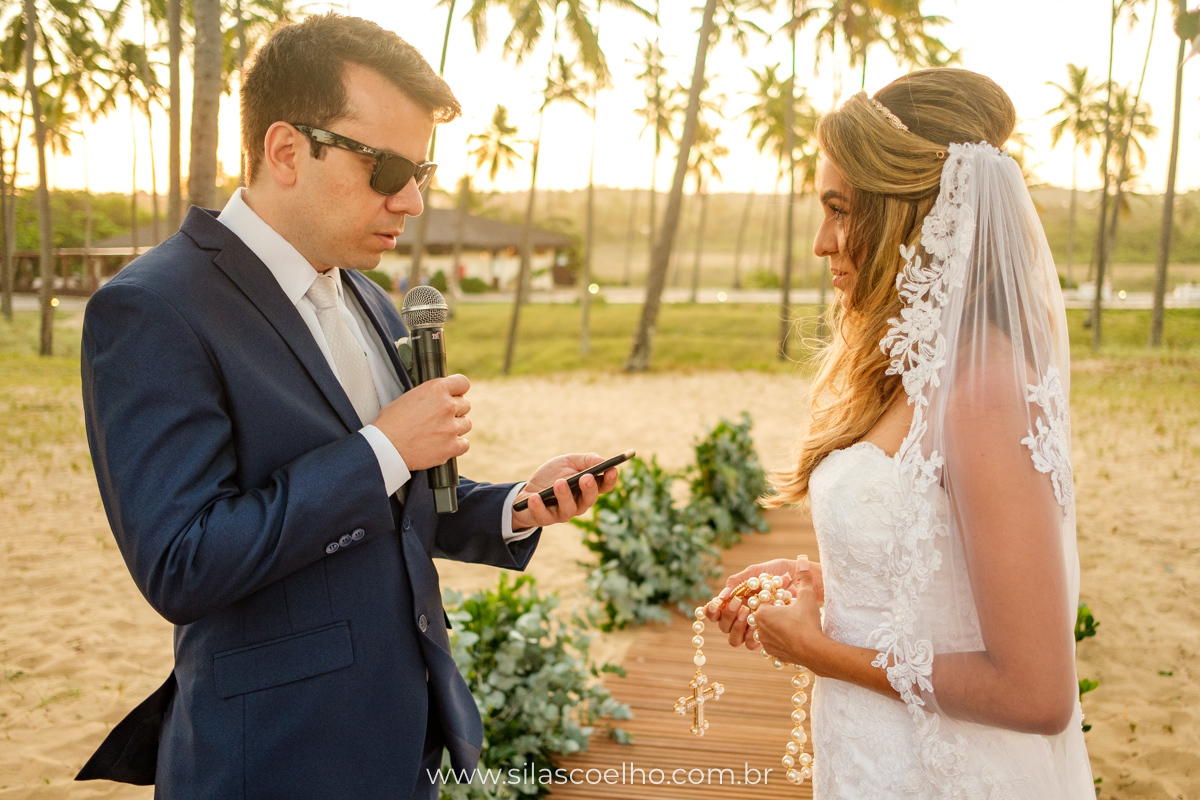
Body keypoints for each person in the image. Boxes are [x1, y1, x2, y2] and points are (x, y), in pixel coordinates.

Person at [76, 13, 617, 799]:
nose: (413, 200)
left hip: (402, 741)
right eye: (388, 166)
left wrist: (512, 508)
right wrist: (385, 447)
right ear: (287, 150)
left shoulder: (373, 300)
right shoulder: (153, 309)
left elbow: (390, 508)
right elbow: (184, 562)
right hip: (271, 758)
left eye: (422, 169)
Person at [707, 69, 1095, 797]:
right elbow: (939, 570)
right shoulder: (918, 369)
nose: (822, 242)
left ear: (909, 214)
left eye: (840, 210)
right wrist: (829, 584)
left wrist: (822, 649)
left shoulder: (983, 391)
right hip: (872, 761)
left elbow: (1038, 695)